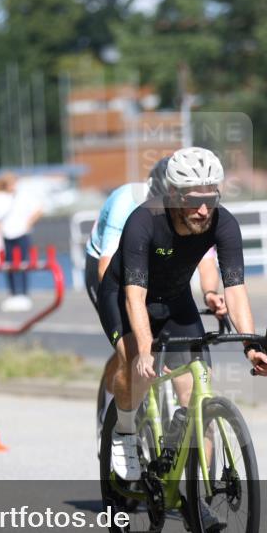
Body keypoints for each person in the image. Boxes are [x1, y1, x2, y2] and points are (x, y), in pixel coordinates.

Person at [95, 147, 267, 485]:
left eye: (211, 198)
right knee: (138, 367)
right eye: (194, 200)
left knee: (196, 396)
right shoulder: (144, 220)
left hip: (175, 301)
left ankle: (196, 497)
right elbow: (135, 294)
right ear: (174, 194)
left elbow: (235, 288)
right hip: (123, 296)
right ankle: (124, 429)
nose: (204, 210)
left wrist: (250, 344)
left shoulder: (223, 223)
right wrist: (146, 349)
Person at [85, 157, 225, 443]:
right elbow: (107, 267)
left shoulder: (192, 210)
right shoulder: (128, 203)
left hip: (160, 273)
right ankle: (113, 415)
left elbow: (207, 263)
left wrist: (211, 293)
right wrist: (130, 322)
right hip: (111, 269)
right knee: (130, 350)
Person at [0, 172, 43, 312]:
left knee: (23, 263)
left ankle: (23, 293)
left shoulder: (23, 196)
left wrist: (29, 223)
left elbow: (39, 209)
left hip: (22, 233)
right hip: (6, 235)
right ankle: (13, 293)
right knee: (9, 264)